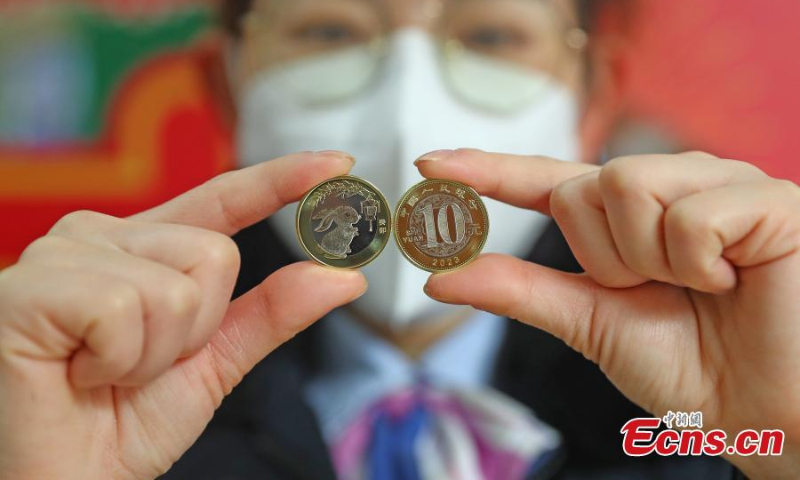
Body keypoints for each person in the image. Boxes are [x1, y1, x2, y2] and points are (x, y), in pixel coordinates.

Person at [0, 0, 798, 479]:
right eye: (328, 29)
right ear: (228, 86)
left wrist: (782, 441)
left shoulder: (717, 399)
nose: (406, 109)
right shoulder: (98, 392)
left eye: (491, 36)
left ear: (595, 97)